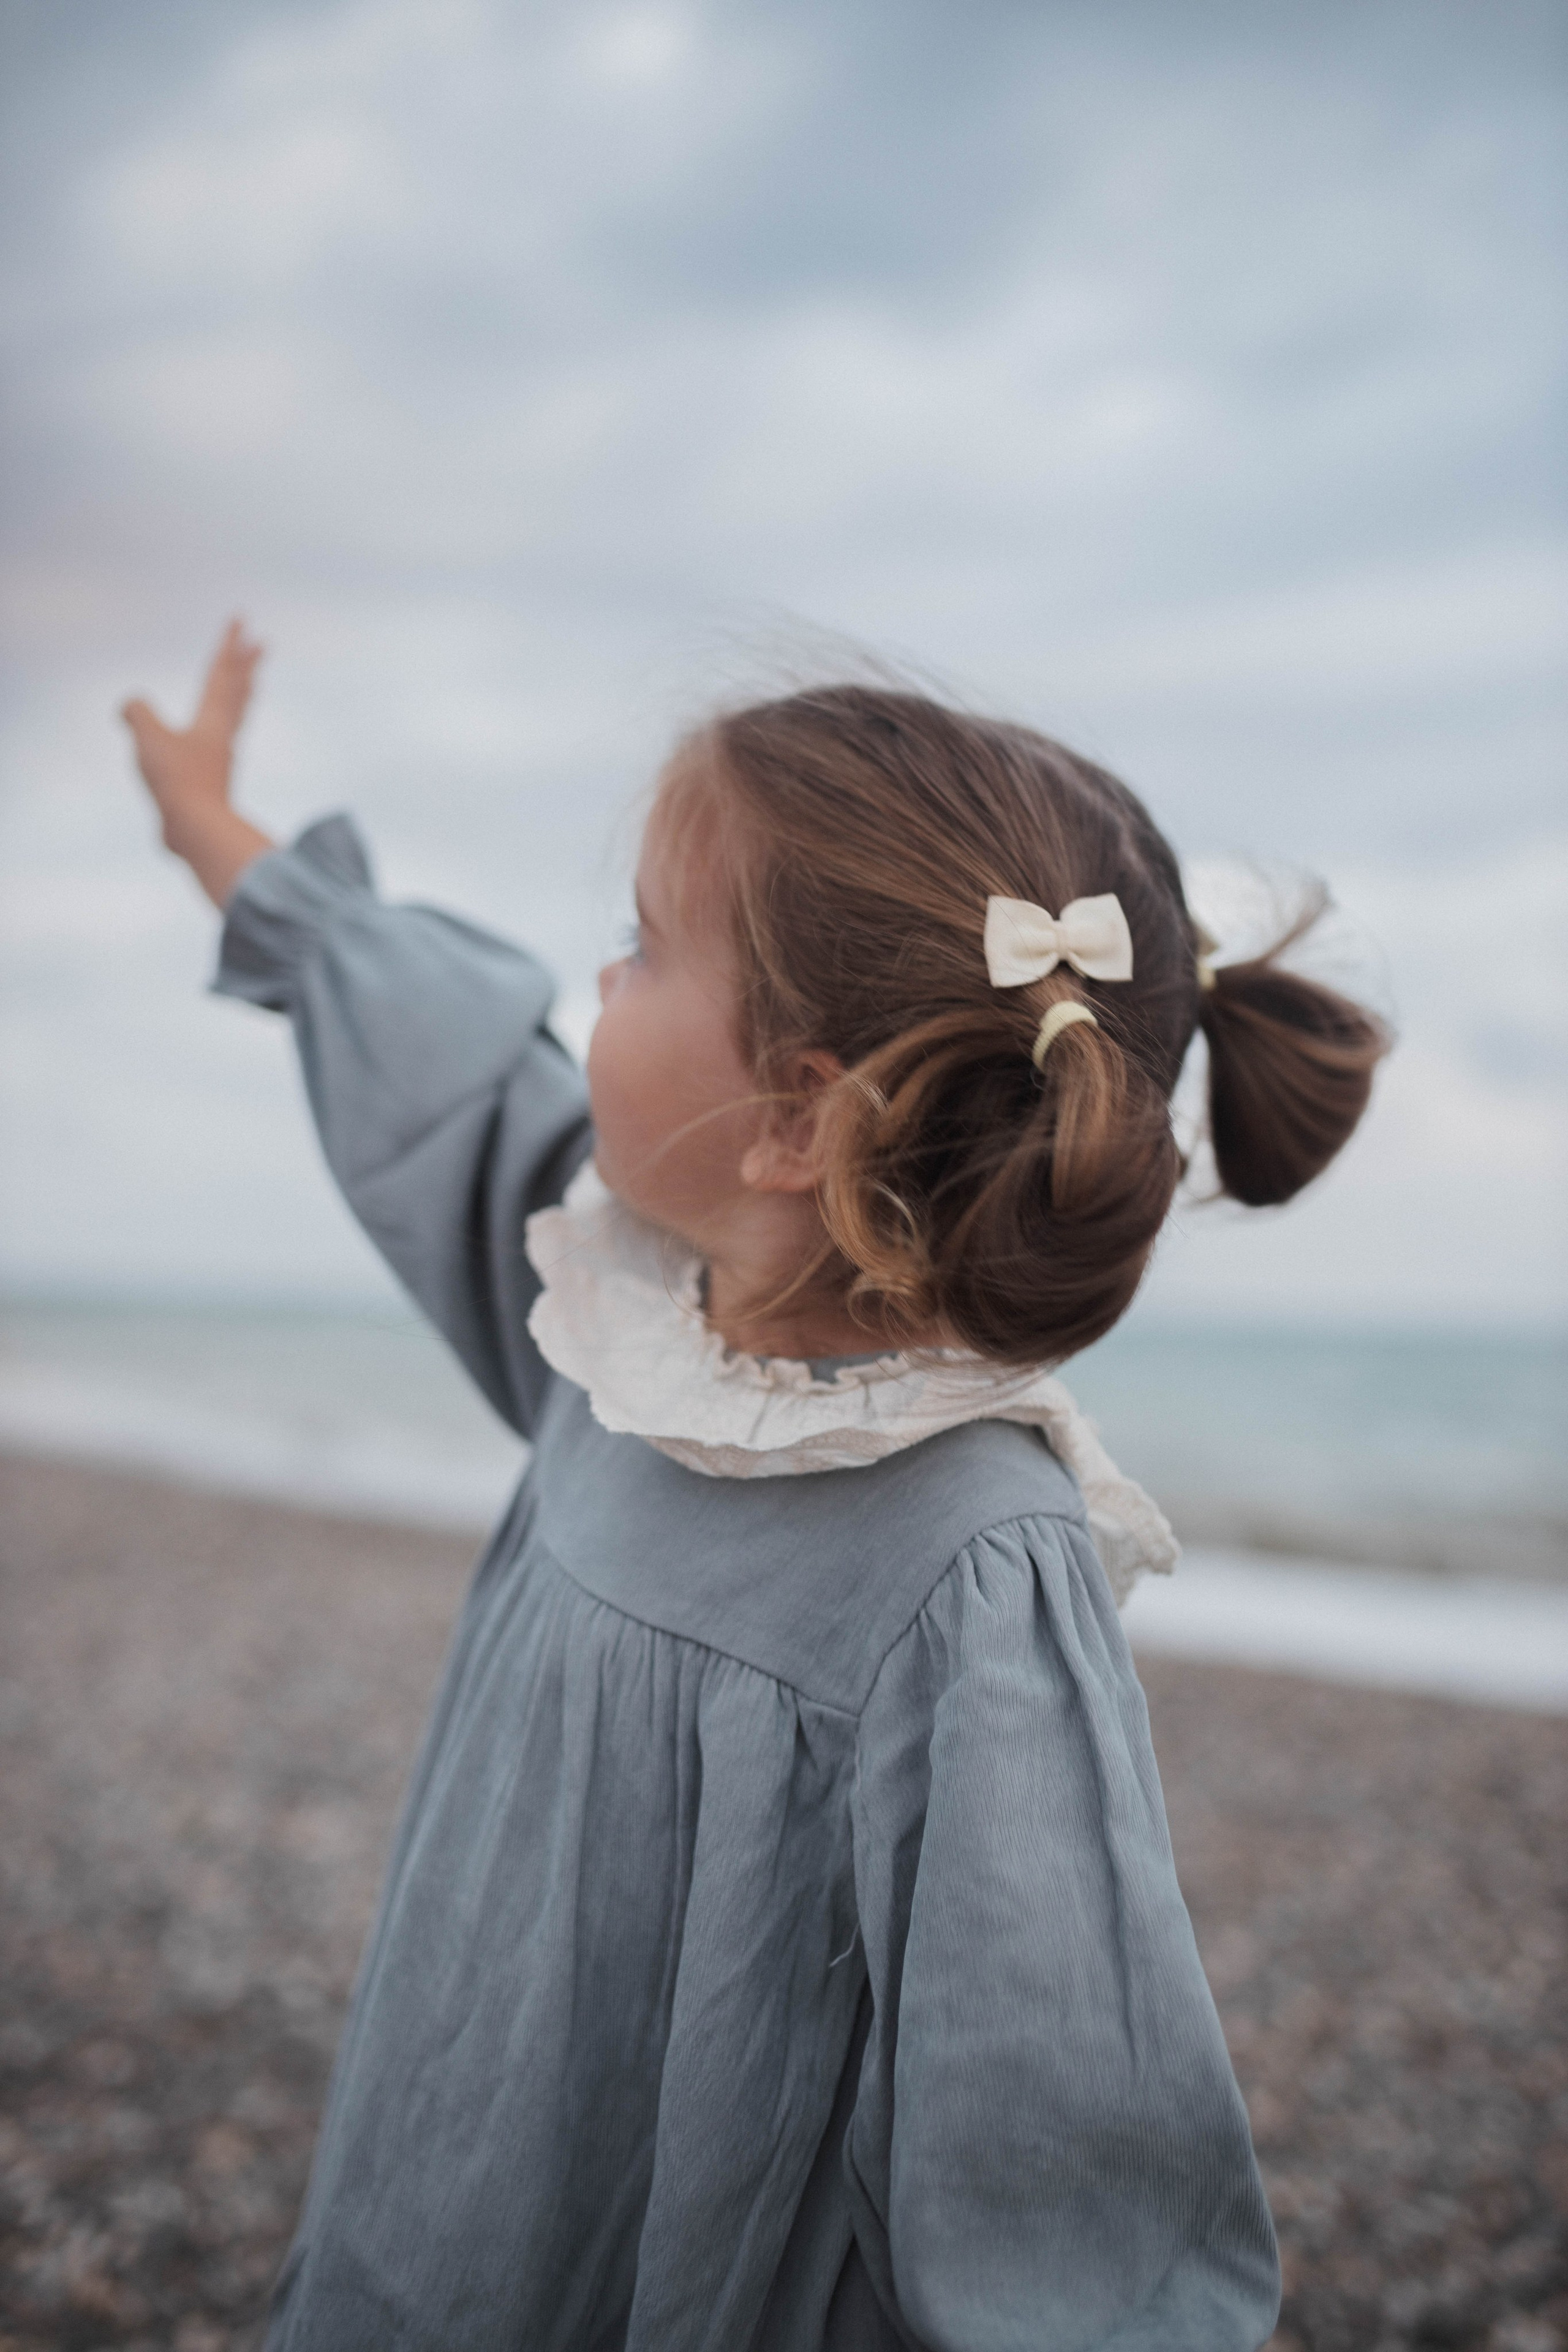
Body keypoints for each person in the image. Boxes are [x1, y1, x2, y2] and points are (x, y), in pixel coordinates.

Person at [123, 620, 1385, 2351]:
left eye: (641, 949)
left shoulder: (968, 1565)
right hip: (427, 2217)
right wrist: (220, 837)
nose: (598, 989)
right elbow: (435, 1061)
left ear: (799, 1121)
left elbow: (1057, 2159)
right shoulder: (623, 1316)